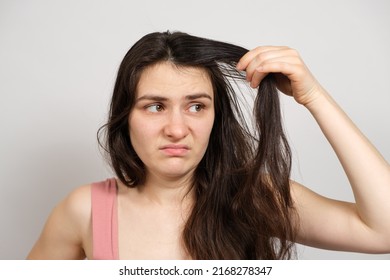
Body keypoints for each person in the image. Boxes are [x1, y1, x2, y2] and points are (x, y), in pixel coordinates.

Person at [27, 31, 390, 260]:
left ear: (216, 118)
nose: (176, 128)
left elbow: (383, 232)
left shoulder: (253, 196)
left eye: (196, 106)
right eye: (155, 106)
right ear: (126, 116)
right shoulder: (84, 210)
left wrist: (313, 96)